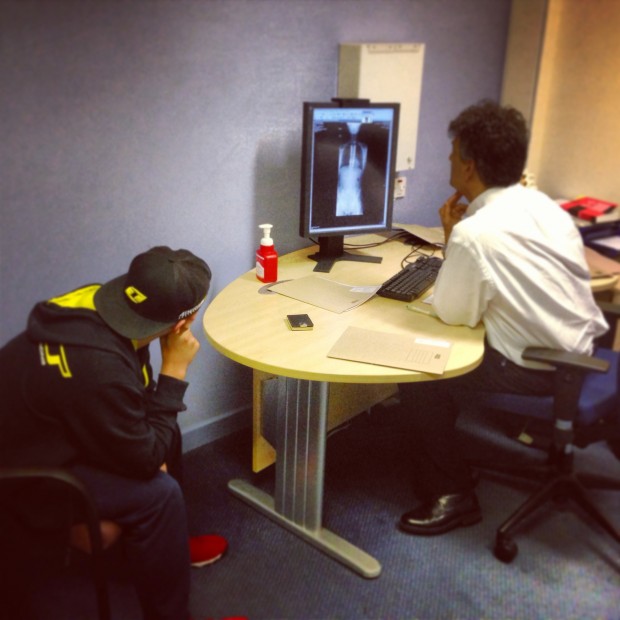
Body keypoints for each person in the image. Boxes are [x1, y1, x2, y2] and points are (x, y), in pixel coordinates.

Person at [398, 100, 608, 536]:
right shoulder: (544, 207)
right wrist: (459, 242)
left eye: (453, 154)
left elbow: (453, 314)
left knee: (420, 372)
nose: (449, 160)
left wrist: (454, 240)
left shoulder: (477, 233)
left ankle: (453, 493)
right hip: (582, 350)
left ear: (469, 166)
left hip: (540, 367)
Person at [0, 246, 227, 620]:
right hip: (26, 474)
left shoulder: (102, 304)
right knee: (160, 494)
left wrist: (153, 436)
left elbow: (137, 400)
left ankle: (167, 546)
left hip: (50, 429)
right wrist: (174, 370)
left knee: (165, 426)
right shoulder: (102, 370)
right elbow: (144, 456)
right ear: (183, 323)